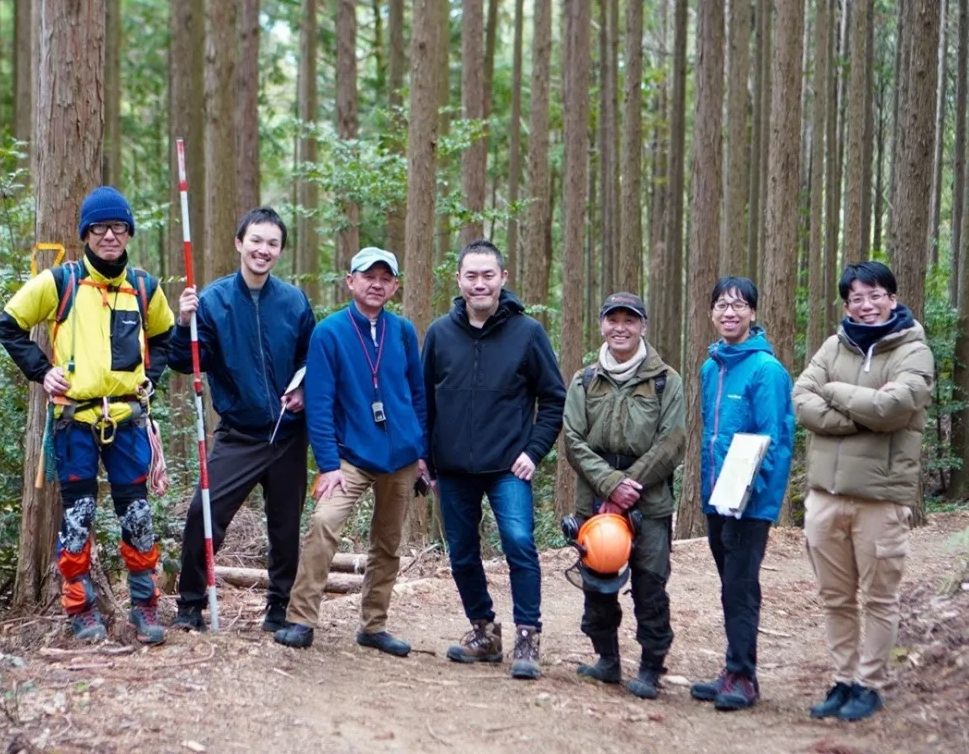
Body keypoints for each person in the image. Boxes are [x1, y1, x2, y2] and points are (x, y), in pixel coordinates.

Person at [0, 186, 175, 644]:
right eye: (99, 228)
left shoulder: (144, 287)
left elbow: (165, 337)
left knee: (137, 514)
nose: (109, 236)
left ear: (129, 233)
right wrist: (42, 372)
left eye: (117, 227)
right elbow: (9, 325)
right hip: (73, 420)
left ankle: (145, 607)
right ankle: (81, 610)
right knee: (78, 515)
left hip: (128, 419)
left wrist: (151, 378)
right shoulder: (61, 282)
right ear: (85, 234)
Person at [792, 262, 934, 722]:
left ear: (892, 298)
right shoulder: (833, 346)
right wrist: (860, 416)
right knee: (835, 597)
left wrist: (833, 390)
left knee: (878, 598)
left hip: (881, 499)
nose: (866, 305)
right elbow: (801, 398)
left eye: (875, 295)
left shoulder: (914, 350)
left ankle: (870, 684)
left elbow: (895, 407)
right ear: (846, 305)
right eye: (856, 298)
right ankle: (843, 679)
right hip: (825, 496)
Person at [421, 239, 566, 680]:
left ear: (503, 278)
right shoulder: (439, 334)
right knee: (462, 553)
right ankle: (484, 632)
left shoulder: (528, 333)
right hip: (453, 468)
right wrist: (425, 459)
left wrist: (533, 451)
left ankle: (527, 636)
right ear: (459, 280)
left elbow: (553, 398)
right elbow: (423, 401)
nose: (479, 283)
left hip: (508, 467)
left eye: (488, 275)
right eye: (471, 275)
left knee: (519, 543)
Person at [274, 247, 427, 657]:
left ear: (395, 286)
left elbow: (417, 394)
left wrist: (422, 451)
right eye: (368, 276)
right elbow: (320, 403)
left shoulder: (403, 331)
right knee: (324, 523)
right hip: (349, 457)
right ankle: (301, 620)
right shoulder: (329, 332)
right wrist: (328, 465)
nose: (376, 284)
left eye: (385, 278)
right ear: (351, 281)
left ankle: (374, 625)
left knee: (388, 542)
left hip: (401, 457)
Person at [168, 207, 315, 633]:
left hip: (288, 433)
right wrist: (183, 323)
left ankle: (279, 607)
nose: (263, 250)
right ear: (239, 243)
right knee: (204, 513)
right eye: (256, 240)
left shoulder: (293, 301)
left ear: (280, 250)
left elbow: (311, 357)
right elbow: (186, 362)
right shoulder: (213, 301)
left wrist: (304, 389)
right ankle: (190, 605)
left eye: (272, 243)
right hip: (239, 433)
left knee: (285, 527)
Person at [562, 292, 686, 699]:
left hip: (649, 502)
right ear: (602, 325)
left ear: (642, 326)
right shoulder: (584, 380)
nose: (620, 328)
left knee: (651, 585)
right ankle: (607, 660)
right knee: (598, 583)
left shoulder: (666, 380)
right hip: (595, 501)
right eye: (612, 319)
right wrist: (609, 484)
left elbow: (672, 441)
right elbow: (573, 440)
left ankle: (651, 667)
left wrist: (628, 484)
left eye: (629, 320)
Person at [687, 277, 795, 711]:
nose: (729, 313)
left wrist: (749, 494)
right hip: (717, 495)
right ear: (711, 313)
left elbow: (775, 439)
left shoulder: (767, 370)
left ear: (752, 312)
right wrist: (714, 492)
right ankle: (731, 669)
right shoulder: (711, 368)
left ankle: (744, 677)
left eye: (738, 305)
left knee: (741, 586)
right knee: (729, 586)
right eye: (721, 305)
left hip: (749, 502)